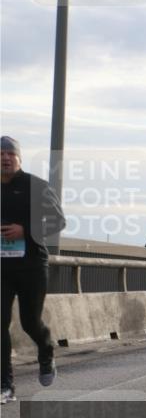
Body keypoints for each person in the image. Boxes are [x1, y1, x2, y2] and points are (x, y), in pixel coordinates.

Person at [1, 136, 65, 403]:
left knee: (30, 322)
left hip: (31, 266)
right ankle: (6, 385)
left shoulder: (35, 186)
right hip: (2, 267)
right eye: (1, 154)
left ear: (19, 159)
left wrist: (25, 230)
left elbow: (58, 221)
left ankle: (46, 349)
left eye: (10, 154)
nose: (5, 158)